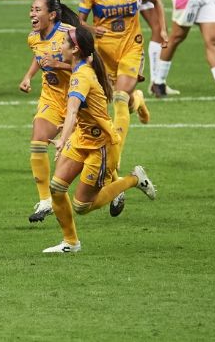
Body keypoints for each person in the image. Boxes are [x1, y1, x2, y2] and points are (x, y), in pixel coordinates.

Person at [44, 24, 156, 254]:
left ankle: (134, 179)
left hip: (100, 146)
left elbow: (73, 111)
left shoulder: (81, 78)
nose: (60, 45)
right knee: (56, 188)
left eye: (64, 42)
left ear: (75, 49)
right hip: (83, 138)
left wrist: (62, 140)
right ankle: (71, 243)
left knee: (82, 206)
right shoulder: (82, 67)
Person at [78, 0, 162, 158]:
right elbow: (79, 22)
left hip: (131, 47)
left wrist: (162, 31)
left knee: (119, 98)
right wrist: (92, 29)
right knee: (124, 98)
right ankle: (139, 100)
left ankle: (115, 155)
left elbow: (156, 1)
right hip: (104, 53)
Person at [19, 0, 76, 223]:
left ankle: (114, 182)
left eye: (37, 9)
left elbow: (90, 65)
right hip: (51, 98)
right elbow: (39, 56)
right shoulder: (33, 38)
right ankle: (45, 201)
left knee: (86, 154)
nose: (32, 14)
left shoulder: (70, 34)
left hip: (77, 99)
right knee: (37, 140)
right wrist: (28, 76)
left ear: (52, 15)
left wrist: (60, 65)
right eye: (31, 9)